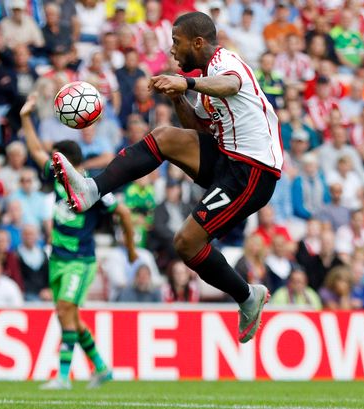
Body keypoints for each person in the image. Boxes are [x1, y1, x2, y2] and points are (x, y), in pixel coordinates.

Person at [51, 12, 282, 345]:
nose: (172, 50)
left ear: (198, 43)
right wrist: (178, 97)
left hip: (252, 171)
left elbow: (231, 84)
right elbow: (197, 129)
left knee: (186, 243)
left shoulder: (225, 63)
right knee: (164, 136)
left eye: (177, 42)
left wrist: (185, 83)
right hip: (227, 157)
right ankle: (92, 188)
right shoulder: (204, 82)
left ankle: (247, 295)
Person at [21, 94, 137, 390]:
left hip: (80, 260)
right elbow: (34, 151)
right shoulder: (59, 177)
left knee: (64, 311)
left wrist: (131, 249)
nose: (51, 163)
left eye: (56, 158)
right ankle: (101, 368)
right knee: (68, 317)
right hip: (57, 258)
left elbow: (123, 212)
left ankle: (62, 377)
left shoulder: (94, 186)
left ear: (67, 161)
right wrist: (25, 117)